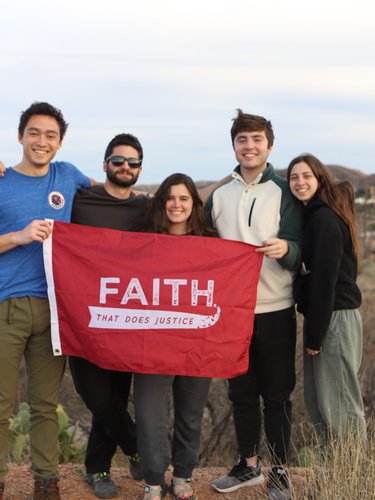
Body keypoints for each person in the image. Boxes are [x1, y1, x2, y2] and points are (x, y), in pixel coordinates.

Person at [206, 110, 303, 499]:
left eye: (257, 139)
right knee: (241, 393)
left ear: (269, 145)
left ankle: (279, 471)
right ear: (234, 145)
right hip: (232, 312)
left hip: (276, 307)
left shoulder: (283, 191)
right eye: (242, 139)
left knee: (277, 395)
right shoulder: (218, 194)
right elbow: (199, 245)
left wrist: (287, 248)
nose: (249, 146)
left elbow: (300, 248)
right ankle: (249, 466)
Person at [0, 102, 92, 500]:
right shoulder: (2, 181)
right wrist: (18, 236)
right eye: (34, 133)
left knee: (44, 403)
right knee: (2, 403)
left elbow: (114, 196)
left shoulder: (67, 175)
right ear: (20, 136)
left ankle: (46, 482)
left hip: (56, 308)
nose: (42, 141)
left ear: (61, 142)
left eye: (51, 135)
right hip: (8, 305)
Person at [68, 133, 150, 499]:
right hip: (81, 318)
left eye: (133, 163)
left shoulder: (146, 209)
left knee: (116, 395)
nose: (125, 168)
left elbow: (189, 208)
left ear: (140, 169)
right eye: (118, 161)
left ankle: (97, 469)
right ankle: (135, 445)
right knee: (96, 396)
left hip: (127, 319)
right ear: (104, 165)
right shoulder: (80, 200)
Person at [133, 173, 216, 500]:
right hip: (151, 343)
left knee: (190, 412)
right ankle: (154, 480)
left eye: (184, 198)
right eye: (170, 198)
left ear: (194, 204)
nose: (176, 205)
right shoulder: (142, 241)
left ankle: (183, 475)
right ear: (161, 202)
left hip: (197, 342)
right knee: (148, 413)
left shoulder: (212, 243)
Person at [287, 153, 366, 446]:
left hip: (335, 318)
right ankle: (334, 474)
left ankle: (353, 480)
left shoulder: (324, 218)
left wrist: (315, 337)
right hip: (326, 318)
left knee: (341, 404)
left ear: (320, 178)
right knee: (322, 402)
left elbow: (324, 283)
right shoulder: (317, 215)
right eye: (294, 177)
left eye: (306, 176)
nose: (299, 182)